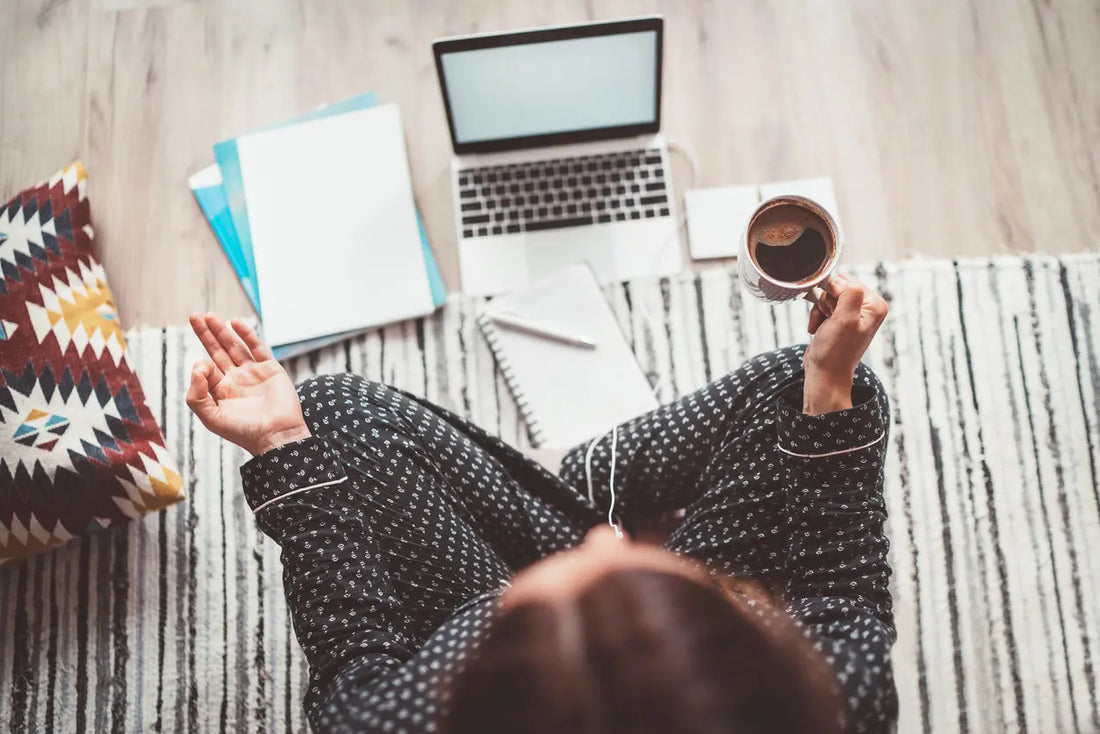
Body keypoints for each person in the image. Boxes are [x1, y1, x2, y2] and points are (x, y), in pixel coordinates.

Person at [186, 274, 895, 734]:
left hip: (467, 607)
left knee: (332, 416)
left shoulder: (387, 719)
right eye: (625, 565)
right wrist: (830, 383)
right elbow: (841, 589)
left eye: (577, 577)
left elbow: (354, 654)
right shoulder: (835, 702)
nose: (604, 543)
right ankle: (598, 478)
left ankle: (588, 486)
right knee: (800, 391)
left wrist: (282, 442)